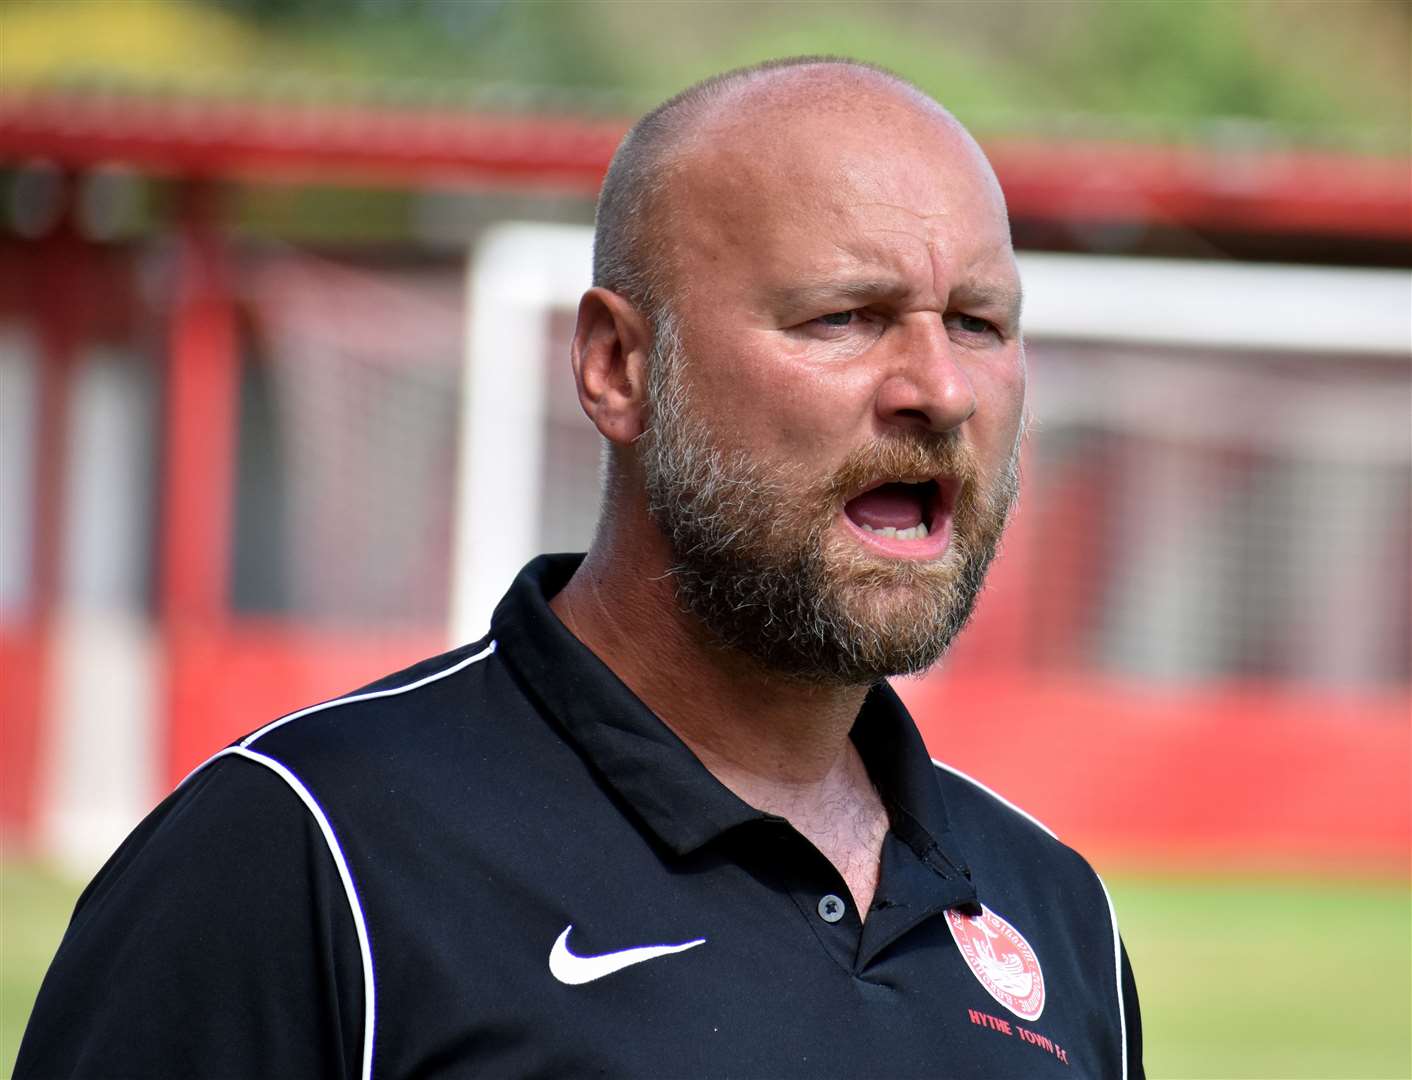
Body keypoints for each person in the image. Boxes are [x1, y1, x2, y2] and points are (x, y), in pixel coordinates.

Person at [19, 57, 1143, 1079]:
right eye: (844, 317)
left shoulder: (1055, 914)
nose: (938, 390)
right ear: (616, 366)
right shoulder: (303, 854)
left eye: (978, 323)